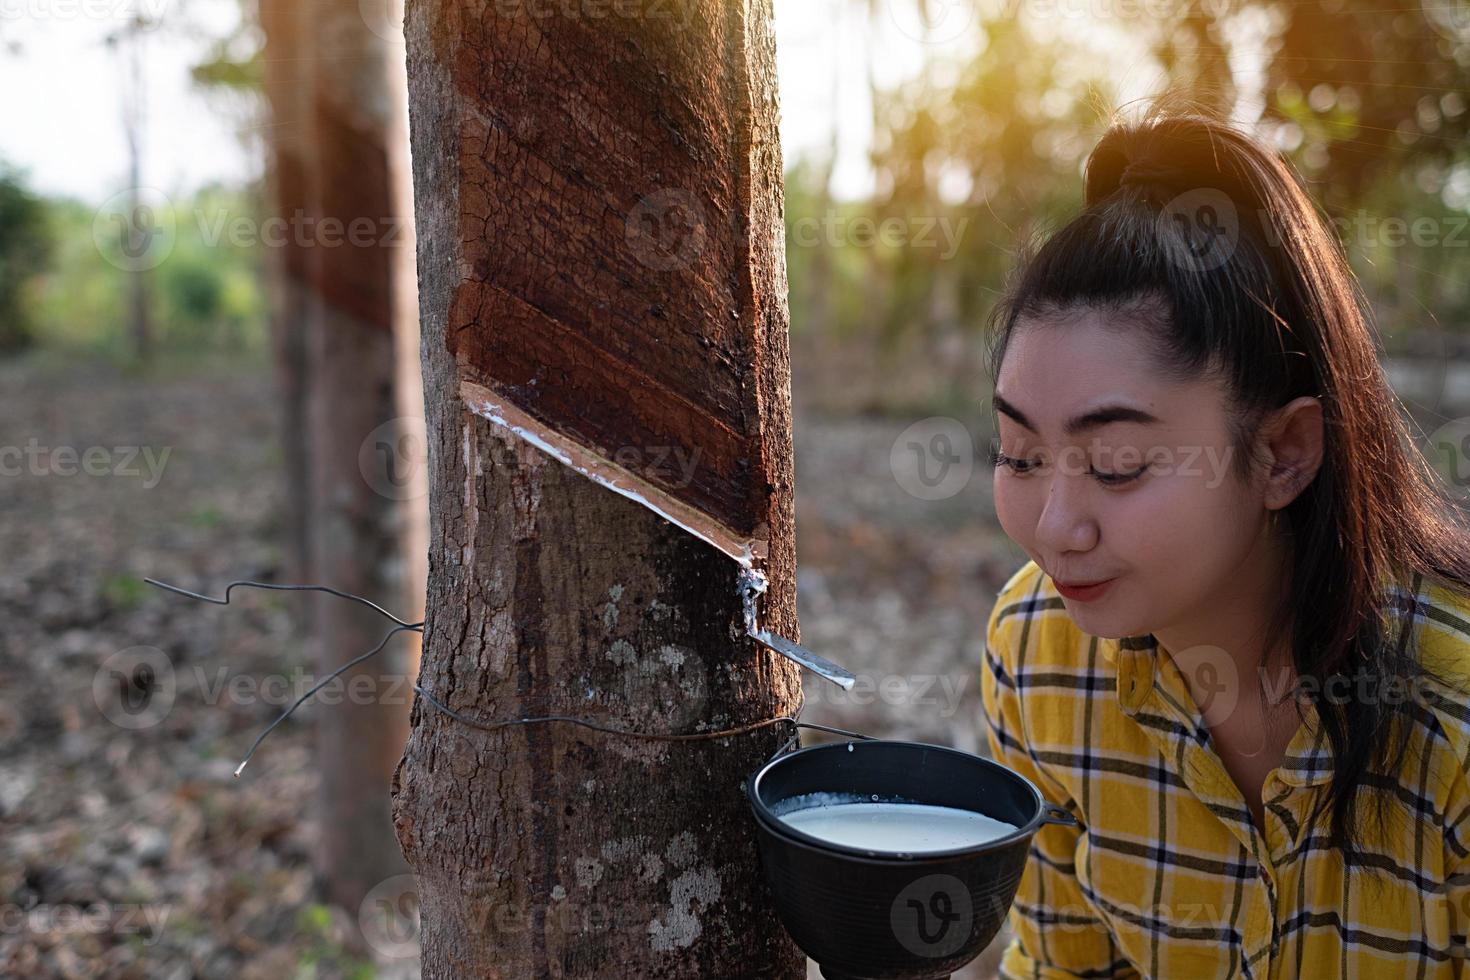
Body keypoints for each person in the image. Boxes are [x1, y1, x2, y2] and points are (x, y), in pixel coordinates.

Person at [980, 98, 1470, 978]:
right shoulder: (1039, 654)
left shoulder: (1455, 725)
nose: (1053, 528)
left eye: (1120, 464)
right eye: (1019, 456)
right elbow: (1066, 968)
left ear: (1284, 453)